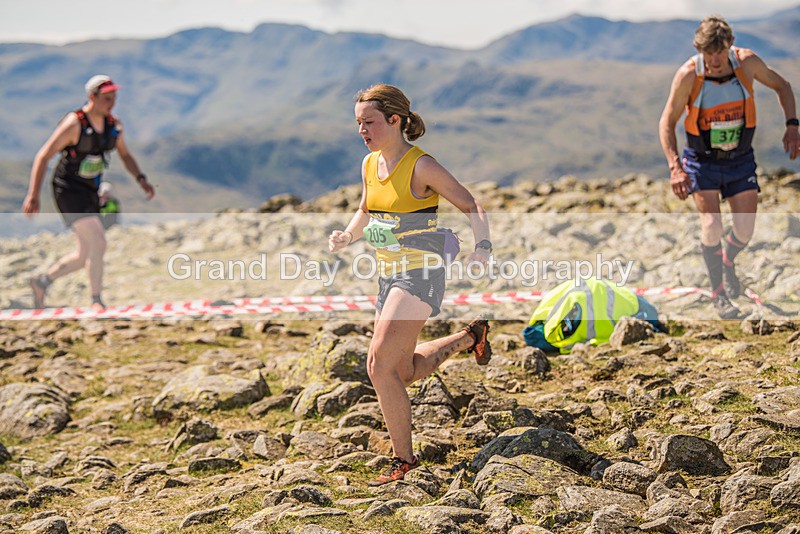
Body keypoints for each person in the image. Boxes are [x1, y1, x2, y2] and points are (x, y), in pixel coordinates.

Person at [328, 84, 492, 485]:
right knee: (402, 371)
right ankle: (470, 338)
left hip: (421, 271)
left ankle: (404, 461)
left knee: (377, 363)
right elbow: (366, 209)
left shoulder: (421, 165)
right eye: (358, 124)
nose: (362, 130)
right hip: (388, 272)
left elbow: (471, 204)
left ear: (395, 120)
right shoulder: (370, 164)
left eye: (369, 122)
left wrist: (482, 246)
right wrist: (348, 236)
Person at [659, 16, 799, 319]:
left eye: (719, 53)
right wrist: (675, 167)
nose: (714, 61)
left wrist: (792, 125)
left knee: (745, 230)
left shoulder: (746, 63)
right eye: (707, 54)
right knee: (712, 226)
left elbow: (783, 86)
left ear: (729, 46)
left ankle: (727, 261)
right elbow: (667, 122)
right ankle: (719, 294)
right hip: (702, 161)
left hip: (740, 159)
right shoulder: (688, 75)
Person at [22, 75, 155, 311]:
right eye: (106, 98)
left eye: (114, 98)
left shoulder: (114, 126)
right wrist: (33, 194)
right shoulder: (74, 124)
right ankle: (96, 300)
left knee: (83, 255)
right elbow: (43, 155)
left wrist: (141, 179)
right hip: (68, 189)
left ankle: (42, 282)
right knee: (98, 240)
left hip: (91, 189)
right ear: (92, 97)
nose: (111, 103)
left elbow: (124, 154)